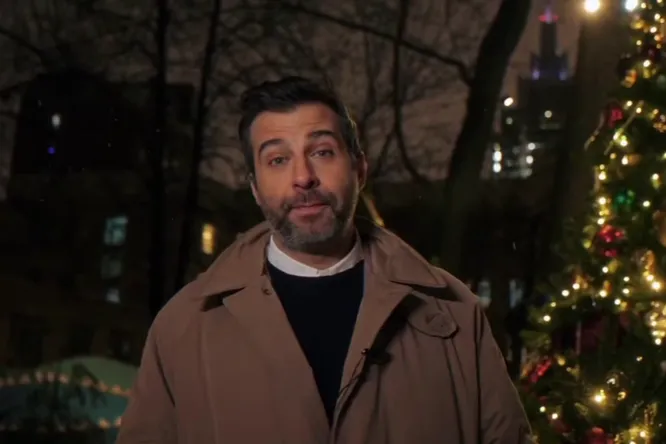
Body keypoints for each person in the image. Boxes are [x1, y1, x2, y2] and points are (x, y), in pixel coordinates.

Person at [117, 76, 531, 444]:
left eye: (322, 152)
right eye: (278, 159)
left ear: (359, 170)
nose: (303, 177)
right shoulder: (182, 328)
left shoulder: (455, 313)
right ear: (256, 189)